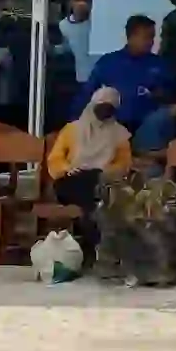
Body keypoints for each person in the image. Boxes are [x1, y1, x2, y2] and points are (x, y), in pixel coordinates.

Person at [46, 85, 132, 261]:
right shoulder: (72, 129)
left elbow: (123, 164)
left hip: (100, 182)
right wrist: (68, 168)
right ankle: (96, 238)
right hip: (70, 181)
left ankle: (92, 238)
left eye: (110, 108)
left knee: (95, 183)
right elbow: (55, 159)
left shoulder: (120, 134)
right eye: (101, 106)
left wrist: (104, 170)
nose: (104, 111)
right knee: (88, 190)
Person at [71, 15, 176, 136]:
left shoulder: (159, 64)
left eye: (152, 37)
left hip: (148, 128)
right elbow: (87, 94)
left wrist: (160, 94)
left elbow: (172, 95)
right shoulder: (108, 62)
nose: (151, 42)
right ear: (131, 37)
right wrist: (75, 124)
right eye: (146, 37)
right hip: (112, 128)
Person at [59, 0, 95, 78]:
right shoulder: (63, 26)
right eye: (77, 0)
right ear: (71, 3)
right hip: (75, 76)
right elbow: (63, 49)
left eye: (84, 0)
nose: (81, 4)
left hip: (97, 76)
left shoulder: (96, 23)